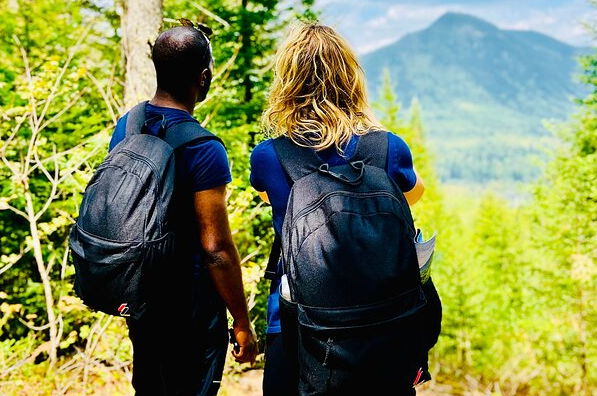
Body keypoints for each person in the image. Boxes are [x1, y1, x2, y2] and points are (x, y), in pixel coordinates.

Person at [250, 22, 431, 396]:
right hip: (383, 321)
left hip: (296, 323)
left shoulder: (270, 156)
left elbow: (268, 198)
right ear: (350, 79)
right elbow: (413, 195)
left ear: (287, 82)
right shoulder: (388, 148)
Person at [109, 23, 258, 395]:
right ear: (203, 77)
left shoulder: (127, 125)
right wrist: (241, 321)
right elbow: (216, 250)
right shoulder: (203, 147)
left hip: (142, 298)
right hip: (189, 309)